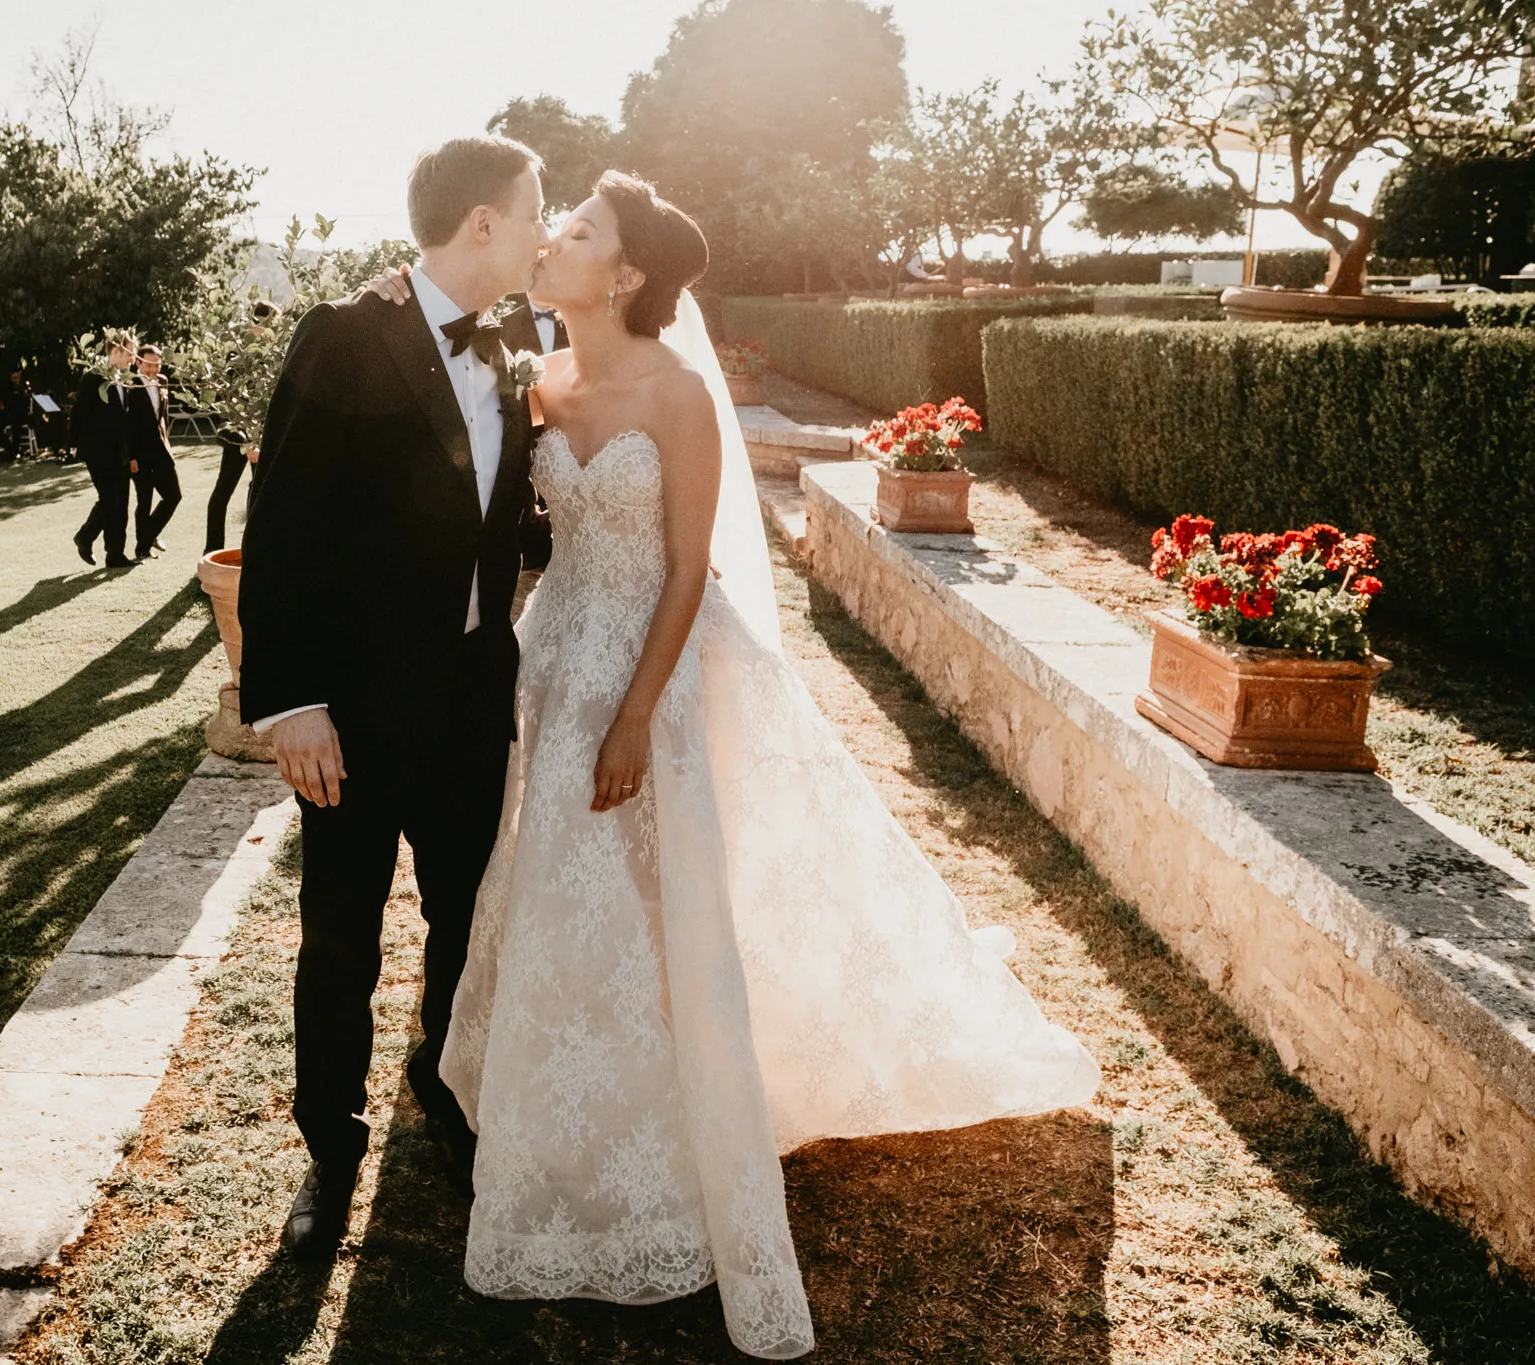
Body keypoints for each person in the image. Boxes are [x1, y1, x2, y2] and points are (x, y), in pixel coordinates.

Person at [365, 173, 1099, 1360]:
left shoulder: (681, 395)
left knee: (671, 900)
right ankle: (547, 1120)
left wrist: (633, 717)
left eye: (578, 230)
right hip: (551, 663)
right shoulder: (538, 378)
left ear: (628, 275)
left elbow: (685, 572)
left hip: (649, 669)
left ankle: (667, 1134)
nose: (552, 238)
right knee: (555, 887)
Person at [234, 135, 551, 1265]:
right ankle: (328, 1149)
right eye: (531, 211)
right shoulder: (344, 333)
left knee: (467, 923)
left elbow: (506, 513)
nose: (541, 231)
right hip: (353, 717)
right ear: (478, 224)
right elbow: (280, 539)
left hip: (472, 696)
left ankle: (447, 1105)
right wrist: (294, 703)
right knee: (338, 941)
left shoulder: (518, 341)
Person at [203, 299, 280, 555]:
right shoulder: (237, 355)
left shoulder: (272, 356)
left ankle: (255, 551)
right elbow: (232, 400)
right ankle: (212, 551)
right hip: (237, 435)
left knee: (261, 494)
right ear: (258, 324)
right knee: (223, 491)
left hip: (264, 435)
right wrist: (248, 441)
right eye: (271, 324)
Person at [71, 333, 136, 568]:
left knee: (122, 503)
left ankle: (115, 553)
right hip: (98, 452)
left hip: (120, 452)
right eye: (129, 353)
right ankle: (85, 536)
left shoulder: (123, 378)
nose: (132, 358)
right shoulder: (93, 377)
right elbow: (79, 413)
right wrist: (76, 445)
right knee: (110, 499)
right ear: (116, 351)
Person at [129, 344, 183, 558]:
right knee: (144, 501)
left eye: (157, 364)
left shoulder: (162, 382)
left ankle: (149, 534)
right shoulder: (129, 385)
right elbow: (126, 425)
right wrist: (131, 456)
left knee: (174, 496)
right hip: (140, 456)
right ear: (138, 362)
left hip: (161, 452)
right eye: (148, 364)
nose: (153, 369)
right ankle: (142, 549)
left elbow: (164, 417)